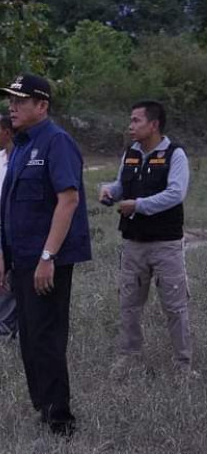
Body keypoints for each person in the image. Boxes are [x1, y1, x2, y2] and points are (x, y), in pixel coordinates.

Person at [0, 74, 91, 436]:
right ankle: (43, 407)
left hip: (46, 262)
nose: (12, 107)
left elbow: (69, 201)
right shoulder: (20, 145)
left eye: (20, 101)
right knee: (29, 339)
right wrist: (4, 256)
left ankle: (60, 421)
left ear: (42, 105)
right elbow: (11, 207)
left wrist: (48, 256)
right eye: (10, 100)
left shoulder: (57, 142)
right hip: (20, 259)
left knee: (47, 340)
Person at [99, 100, 193, 375]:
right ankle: (130, 357)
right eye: (131, 120)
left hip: (166, 244)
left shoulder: (175, 154)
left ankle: (183, 364)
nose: (131, 126)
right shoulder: (130, 153)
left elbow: (176, 193)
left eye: (136, 121)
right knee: (129, 304)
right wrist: (109, 192)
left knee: (175, 306)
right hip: (133, 243)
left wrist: (138, 205)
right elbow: (120, 185)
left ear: (153, 124)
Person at [0, 112, 17, 338]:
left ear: (7, 132)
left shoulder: (23, 157)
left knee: (21, 280)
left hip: (18, 229)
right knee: (1, 282)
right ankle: (5, 333)